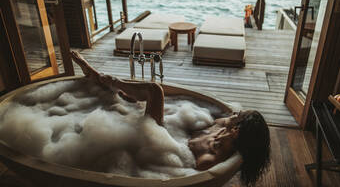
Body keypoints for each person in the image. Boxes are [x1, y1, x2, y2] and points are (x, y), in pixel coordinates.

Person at [71, 51, 270, 187]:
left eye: (238, 116)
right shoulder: (220, 126)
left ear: (237, 131)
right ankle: (98, 78)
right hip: (163, 129)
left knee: (155, 91)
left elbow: (172, 165)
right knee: (125, 99)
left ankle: (113, 82)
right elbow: (192, 118)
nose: (234, 114)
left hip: (155, 140)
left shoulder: (209, 160)